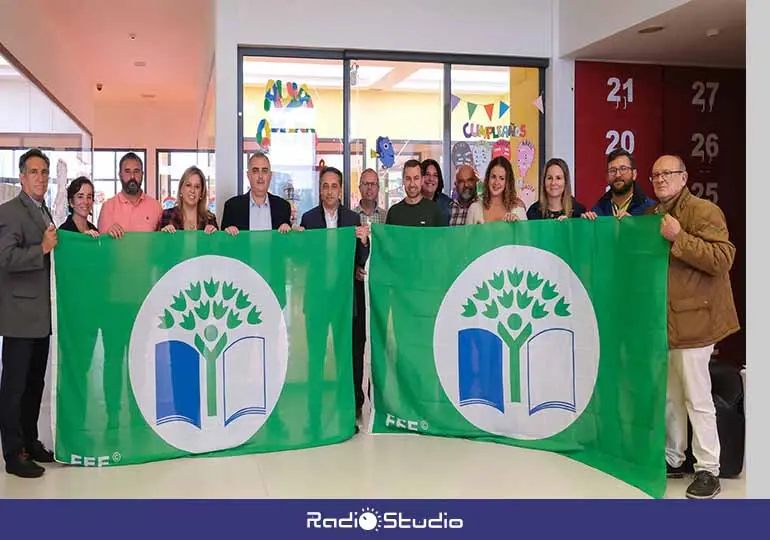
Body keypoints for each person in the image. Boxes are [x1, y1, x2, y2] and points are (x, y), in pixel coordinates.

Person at [646, 154, 739, 499]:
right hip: (666, 321)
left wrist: (679, 237)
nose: (660, 180)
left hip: (696, 320)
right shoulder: (652, 216)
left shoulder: (703, 211)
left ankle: (708, 468)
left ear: (684, 178)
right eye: (655, 175)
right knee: (671, 396)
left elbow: (722, 258)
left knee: (697, 397)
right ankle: (674, 457)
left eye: (667, 174)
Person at [0, 149, 58, 478]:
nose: (40, 177)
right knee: (15, 386)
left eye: (44, 172)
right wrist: (42, 250)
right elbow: (5, 258)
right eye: (34, 172)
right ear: (22, 177)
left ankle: (30, 440)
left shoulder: (43, 211)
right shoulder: (9, 212)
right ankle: (13, 452)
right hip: (20, 314)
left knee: (35, 382)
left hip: (40, 315)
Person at [298, 167, 370, 432]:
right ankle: (313, 418)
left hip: (344, 300)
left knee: (346, 360)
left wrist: (363, 243)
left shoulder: (352, 218)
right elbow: (300, 258)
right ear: (320, 189)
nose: (329, 191)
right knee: (315, 360)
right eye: (325, 186)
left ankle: (347, 415)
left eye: (334, 186)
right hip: (316, 301)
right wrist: (298, 240)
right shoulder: (308, 219)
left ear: (340, 189)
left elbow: (363, 258)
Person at [221, 151, 292, 234]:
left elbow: (287, 243)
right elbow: (223, 244)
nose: (260, 176)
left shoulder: (283, 207)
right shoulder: (232, 207)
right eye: (255, 170)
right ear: (248, 175)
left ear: (270, 175)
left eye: (264, 171)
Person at [97, 152, 162, 238]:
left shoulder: (156, 207)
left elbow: (162, 243)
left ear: (142, 175)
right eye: (127, 172)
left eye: (136, 171)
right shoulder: (108, 207)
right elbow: (101, 244)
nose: (132, 176)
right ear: (120, 175)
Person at [582, 148, 655, 220]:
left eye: (623, 169)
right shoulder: (598, 210)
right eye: (612, 170)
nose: (617, 175)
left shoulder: (650, 209)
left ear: (634, 174)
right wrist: (587, 225)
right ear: (607, 177)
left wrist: (635, 226)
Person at [466, 156, 527, 224]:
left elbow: (526, 234)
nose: (496, 182)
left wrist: (517, 226)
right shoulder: (474, 209)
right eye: (493, 177)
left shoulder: (518, 210)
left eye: (501, 178)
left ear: (508, 182)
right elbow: (467, 234)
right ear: (488, 179)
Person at [158, 166, 218, 234]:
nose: (192, 190)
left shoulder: (210, 219)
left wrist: (214, 237)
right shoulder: (168, 215)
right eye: (188, 185)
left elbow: (218, 244)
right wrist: (164, 235)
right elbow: (160, 243)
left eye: (197, 187)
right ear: (181, 189)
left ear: (201, 193)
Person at [385, 159, 444, 227]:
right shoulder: (393, 212)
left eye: (416, 178)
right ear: (403, 181)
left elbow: (442, 237)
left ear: (422, 180)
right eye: (408, 179)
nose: (412, 184)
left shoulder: (434, 210)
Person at [421, 159, 452, 225]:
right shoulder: (413, 202)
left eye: (435, 175)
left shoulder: (447, 204)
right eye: (427, 174)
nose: (431, 179)